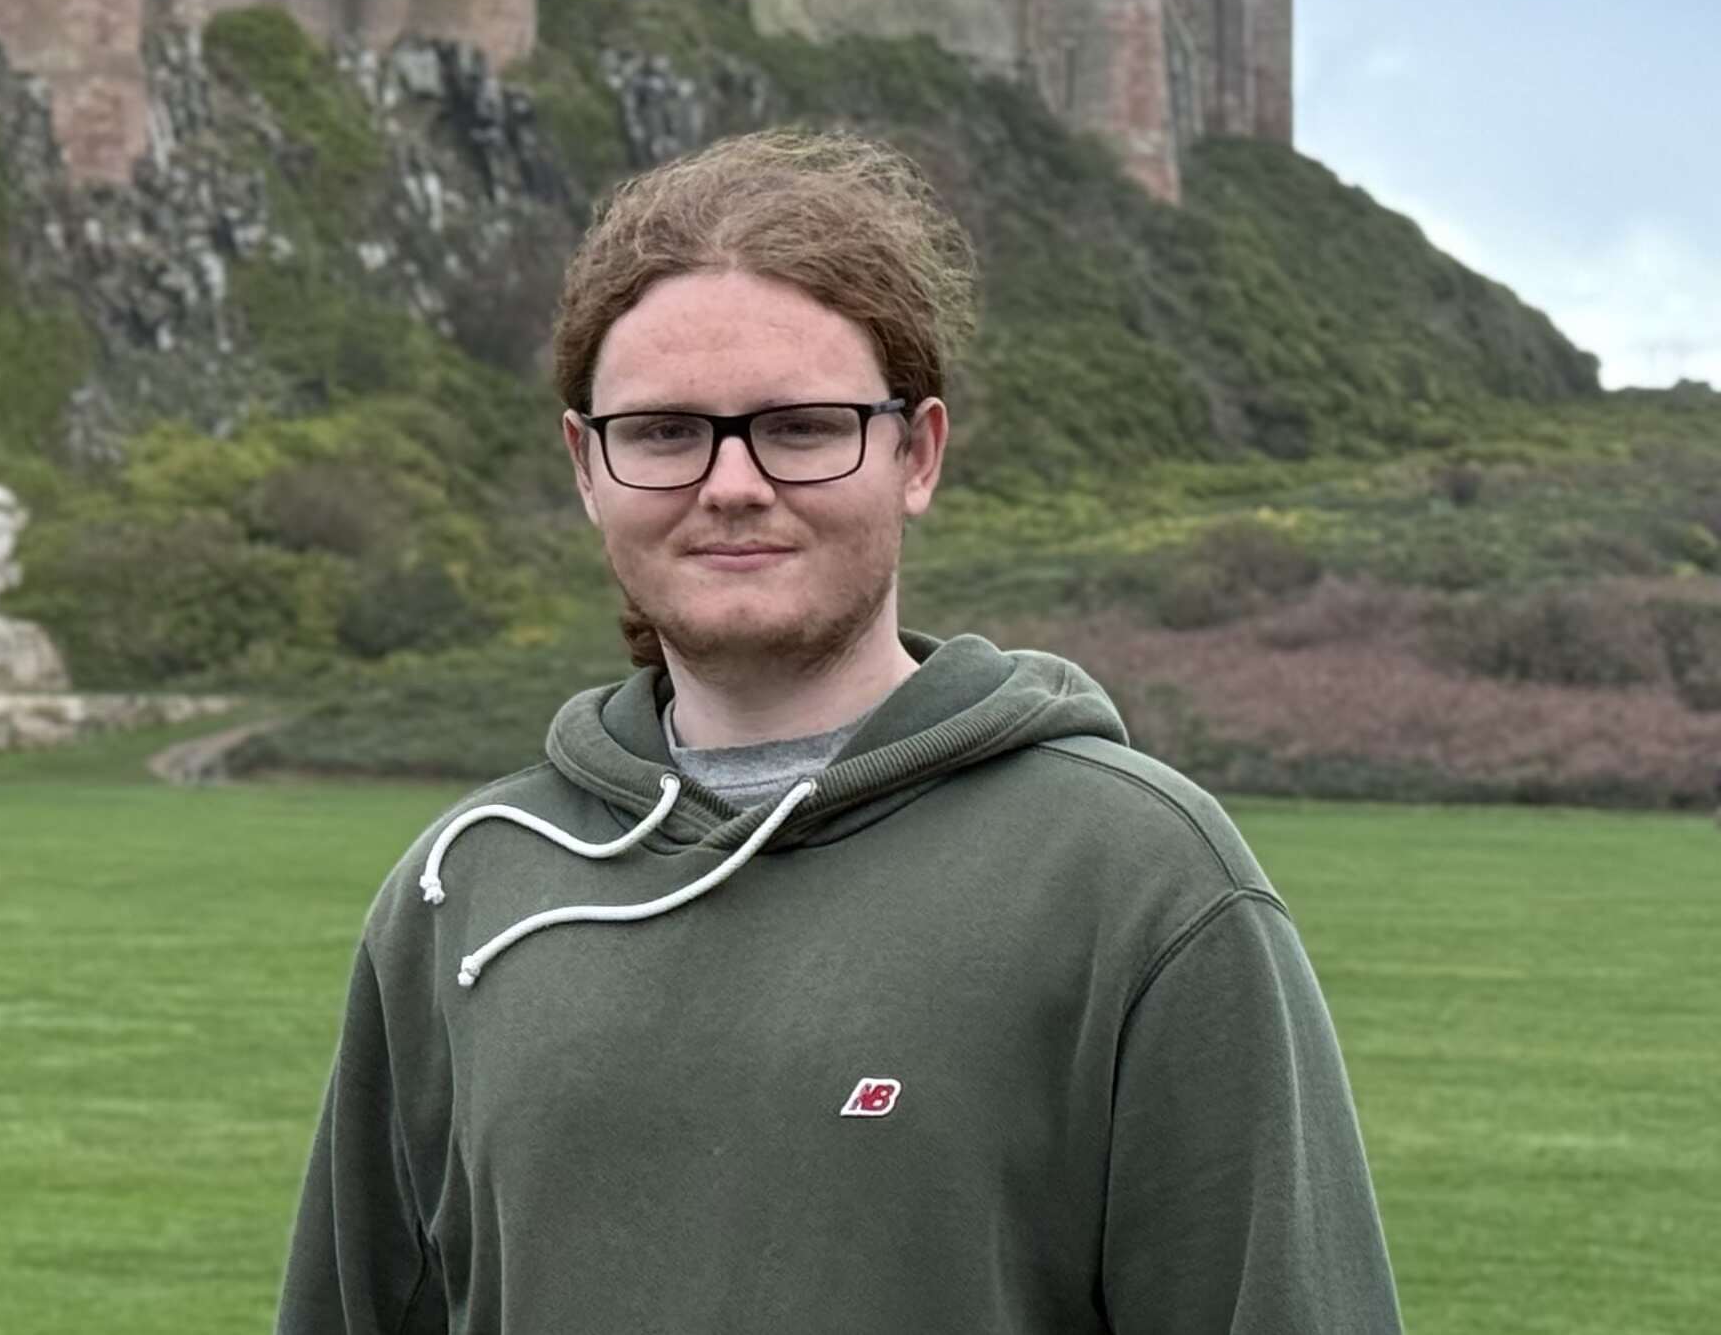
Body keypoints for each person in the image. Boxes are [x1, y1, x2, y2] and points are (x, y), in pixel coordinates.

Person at [275, 129, 1400, 1333]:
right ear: (585, 466)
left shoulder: (1137, 882)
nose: (733, 483)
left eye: (802, 427)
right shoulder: (464, 889)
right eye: (663, 432)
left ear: (915, 453)